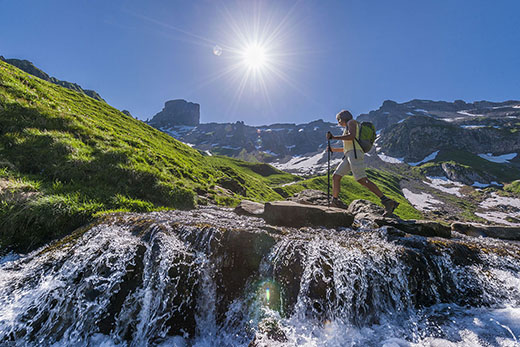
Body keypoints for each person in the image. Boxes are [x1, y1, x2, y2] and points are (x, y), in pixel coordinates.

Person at [326, 110, 399, 216]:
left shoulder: (351, 122)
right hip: (349, 154)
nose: (338, 123)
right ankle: (335, 201)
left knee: (361, 179)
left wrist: (333, 137)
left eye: (338, 120)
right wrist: (333, 149)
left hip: (355, 154)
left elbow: (351, 136)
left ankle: (387, 201)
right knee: (336, 176)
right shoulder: (347, 127)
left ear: (341, 119)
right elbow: (348, 146)